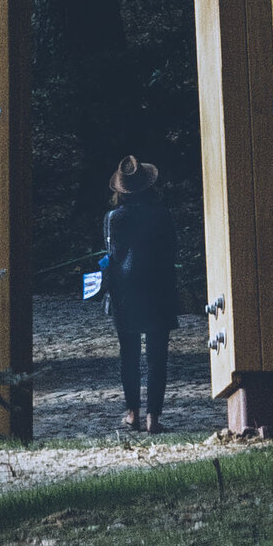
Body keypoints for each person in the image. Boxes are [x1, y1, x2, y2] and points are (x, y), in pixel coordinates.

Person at [99, 156, 177, 435]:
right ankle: (153, 418)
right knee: (157, 358)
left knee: (128, 355)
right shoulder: (161, 215)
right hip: (158, 290)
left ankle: (132, 412)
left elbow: (110, 255)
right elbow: (171, 251)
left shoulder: (112, 219)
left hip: (124, 293)